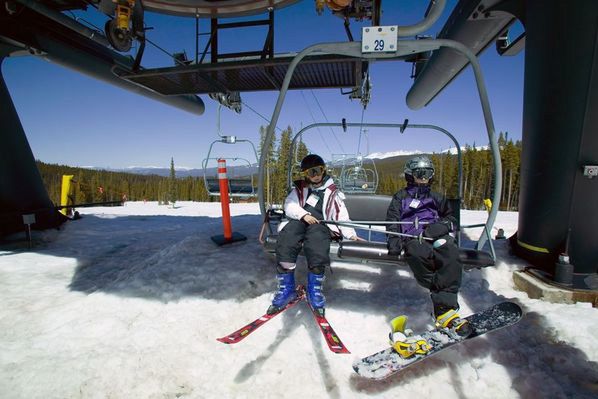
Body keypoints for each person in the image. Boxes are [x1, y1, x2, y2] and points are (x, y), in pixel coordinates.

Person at [386, 155, 472, 337]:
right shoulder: (401, 197)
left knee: (450, 253)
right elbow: (392, 220)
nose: (424, 177)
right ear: (410, 175)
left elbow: (451, 218)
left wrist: (440, 226)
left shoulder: (436, 197)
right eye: (420, 173)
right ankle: (444, 309)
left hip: (435, 235)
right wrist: (394, 240)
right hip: (412, 236)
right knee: (418, 255)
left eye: (428, 173)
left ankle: (444, 310)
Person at [268, 154, 360, 316]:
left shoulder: (332, 192)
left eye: (318, 171)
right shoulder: (300, 190)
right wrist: (303, 215)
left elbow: (341, 215)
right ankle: (287, 289)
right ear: (305, 174)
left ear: (323, 170)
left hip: (321, 224)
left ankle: (314, 290)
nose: (315, 176)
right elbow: (289, 205)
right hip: (300, 221)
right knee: (287, 237)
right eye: (311, 173)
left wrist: (350, 234)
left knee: (318, 241)